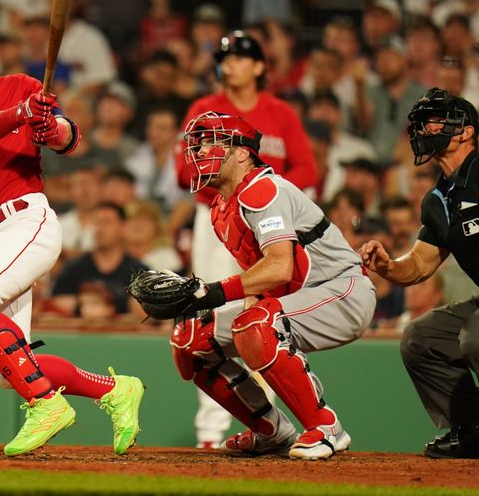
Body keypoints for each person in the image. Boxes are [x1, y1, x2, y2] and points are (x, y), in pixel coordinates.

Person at [0, 11, 145, 457]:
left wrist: (48, 128)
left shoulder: (20, 86)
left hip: (25, 219)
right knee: (9, 371)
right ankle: (114, 390)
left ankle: (45, 404)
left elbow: (72, 140)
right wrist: (19, 116)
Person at [131, 112, 375, 460]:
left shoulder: (264, 189)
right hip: (297, 298)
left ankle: (326, 427)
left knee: (257, 325)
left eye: (214, 143)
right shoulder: (220, 209)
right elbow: (263, 280)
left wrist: (210, 293)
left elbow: (279, 267)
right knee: (191, 338)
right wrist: (211, 303)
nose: (201, 151)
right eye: (198, 145)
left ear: (243, 153)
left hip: (343, 292)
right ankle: (271, 430)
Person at [178, 30, 318, 448]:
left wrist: (272, 203)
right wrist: (229, 199)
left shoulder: (279, 112)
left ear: (260, 67)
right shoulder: (205, 109)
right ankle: (210, 431)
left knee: (264, 317)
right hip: (218, 217)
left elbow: (308, 168)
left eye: (240, 57)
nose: (230, 64)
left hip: (270, 224)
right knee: (207, 316)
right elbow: (185, 171)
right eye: (226, 58)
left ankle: (270, 424)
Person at [360, 88, 479, 459]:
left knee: (477, 336)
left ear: (465, 131)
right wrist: (387, 266)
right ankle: (473, 429)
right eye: (421, 123)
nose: (424, 129)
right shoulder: (439, 198)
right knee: (421, 337)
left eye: (435, 120)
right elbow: (422, 264)